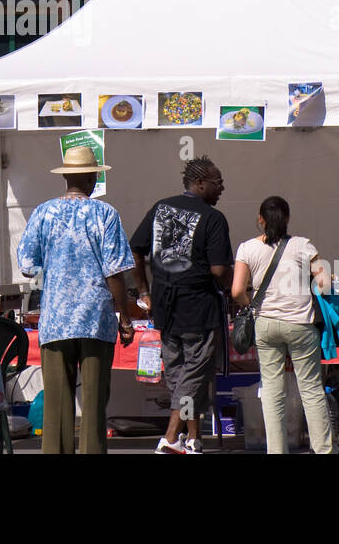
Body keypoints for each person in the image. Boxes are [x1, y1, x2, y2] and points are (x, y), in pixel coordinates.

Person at [18, 144, 136, 454]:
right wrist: (124, 317)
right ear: (92, 178)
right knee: (95, 405)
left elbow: (27, 266)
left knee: (57, 408)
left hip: (56, 319)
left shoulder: (43, 212)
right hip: (95, 318)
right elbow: (115, 273)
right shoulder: (105, 214)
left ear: (67, 176)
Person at [130, 156, 233, 454]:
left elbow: (135, 249)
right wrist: (234, 284)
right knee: (193, 375)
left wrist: (144, 291)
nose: (222, 188)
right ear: (201, 183)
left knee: (179, 376)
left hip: (165, 307)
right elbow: (218, 270)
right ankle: (171, 437)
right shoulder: (214, 219)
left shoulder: (161, 207)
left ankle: (193, 438)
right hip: (198, 308)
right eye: (218, 183)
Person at [232, 196, 334, 454]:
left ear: (260, 219)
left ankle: (276, 450)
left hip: (265, 324)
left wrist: (250, 307)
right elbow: (325, 283)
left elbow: (236, 291)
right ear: (287, 218)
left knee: (271, 390)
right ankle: (323, 449)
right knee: (310, 388)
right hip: (301, 324)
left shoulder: (246, 249)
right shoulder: (303, 245)